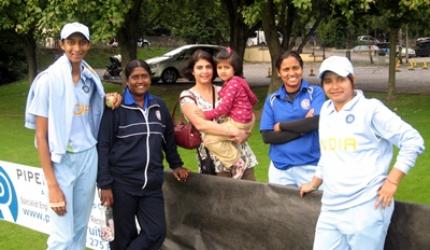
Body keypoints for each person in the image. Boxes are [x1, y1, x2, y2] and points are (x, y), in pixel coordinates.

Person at [299, 56, 425, 250]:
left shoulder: (371, 109)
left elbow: (413, 140)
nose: (334, 86)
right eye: (328, 81)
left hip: (366, 208)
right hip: (331, 208)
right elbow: (328, 152)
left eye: (340, 79)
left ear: (352, 80)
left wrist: (393, 180)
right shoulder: (326, 109)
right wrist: (315, 182)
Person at [24, 22, 121, 249]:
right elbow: (41, 136)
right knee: (62, 237)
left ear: (88, 45)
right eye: (70, 42)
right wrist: (52, 186)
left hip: (88, 157)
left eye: (81, 42)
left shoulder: (90, 78)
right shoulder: (48, 80)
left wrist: (108, 99)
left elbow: (92, 109)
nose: (76, 48)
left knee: (79, 230)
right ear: (62, 44)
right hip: (62, 160)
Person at [97, 59, 189, 250]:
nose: (140, 81)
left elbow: (168, 140)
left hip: (152, 185)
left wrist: (176, 164)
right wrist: (104, 184)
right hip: (121, 185)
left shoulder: (159, 106)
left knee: (156, 233)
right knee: (122, 238)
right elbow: (103, 146)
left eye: (144, 76)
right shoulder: (115, 108)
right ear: (127, 80)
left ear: (150, 77)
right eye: (135, 77)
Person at [180, 49, 258, 180]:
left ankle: (240, 163)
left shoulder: (225, 89)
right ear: (192, 71)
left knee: (252, 198)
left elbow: (249, 111)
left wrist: (246, 132)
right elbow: (201, 125)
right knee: (223, 199)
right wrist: (234, 131)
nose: (204, 71)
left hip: (242, 154)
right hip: (215, 162)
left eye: (208, 67)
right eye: (199, 67)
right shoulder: (188, 97)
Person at [259, 51, 325, 187]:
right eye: (286, 69)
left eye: (295, 68)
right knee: (280, 209)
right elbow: (268, 137)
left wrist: (282, 126)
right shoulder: (272, 100)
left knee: (313, 208)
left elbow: (315, 123)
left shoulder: (315, 92)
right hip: (280, 169)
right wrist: (302, 128)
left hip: (311, 167)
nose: (292, 73)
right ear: (278, 72)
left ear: (301, 69)